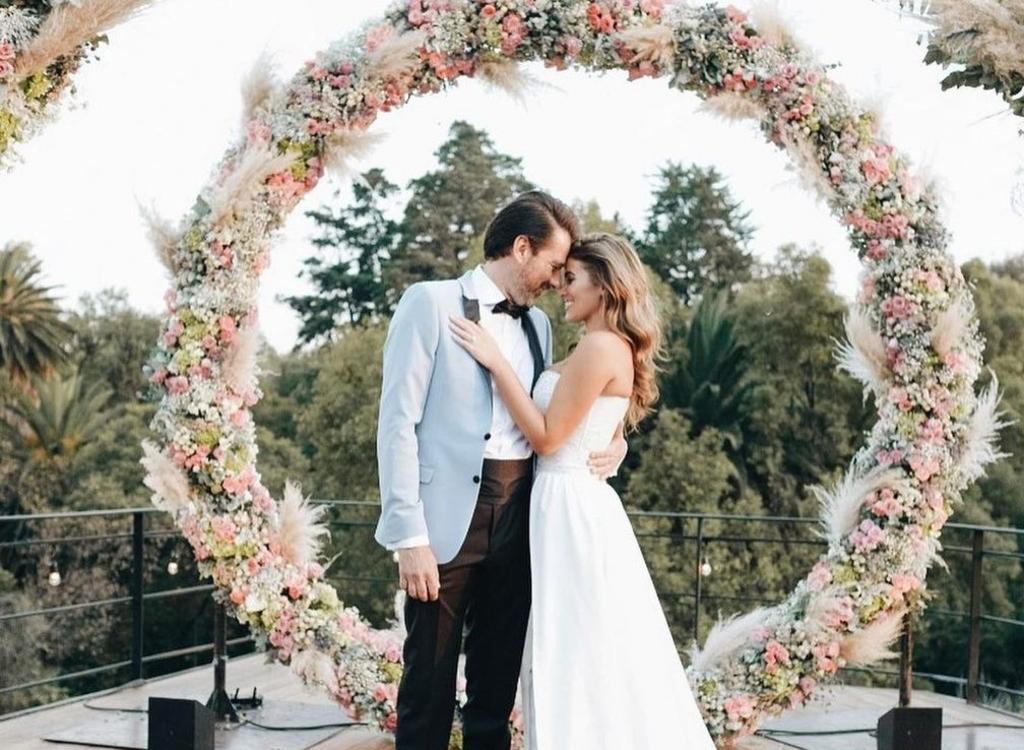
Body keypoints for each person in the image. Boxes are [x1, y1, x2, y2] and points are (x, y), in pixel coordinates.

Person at [375, 192, 628, 750]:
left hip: (523, 515)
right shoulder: (430, 302)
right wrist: (408, 536)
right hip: (445, 524)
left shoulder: (540, 325)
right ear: (521, 248)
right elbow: (396, 426)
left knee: (496, 688)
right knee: (427, 684)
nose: (558, 281)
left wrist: (616, 439)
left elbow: (564, 415)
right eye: (554, 266)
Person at [449, 232, 717, 749]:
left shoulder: (599, 346)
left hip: (569, 505)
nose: (561, 288)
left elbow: (549, 437)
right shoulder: (600, 345)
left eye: (571, 278)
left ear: (605, 285)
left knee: (574, 649)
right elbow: (596, 421)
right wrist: (616, 440)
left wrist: (497, 363)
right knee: (582, 647)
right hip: (562, 500)